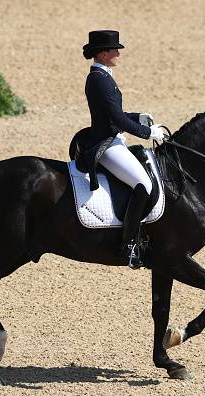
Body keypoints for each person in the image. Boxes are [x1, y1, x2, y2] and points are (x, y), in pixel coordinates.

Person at [81, 30, 165, 269]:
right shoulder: (99, 79)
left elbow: (113, 114)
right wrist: (147, 133)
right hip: (106, 144)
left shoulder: (104, 76)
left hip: (114, 138)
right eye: (114, 50)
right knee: (144, 185)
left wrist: (138, 117)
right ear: (103, 53)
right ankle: (127, 244)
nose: (118, 53)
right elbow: (115, 118)